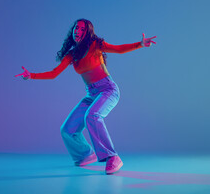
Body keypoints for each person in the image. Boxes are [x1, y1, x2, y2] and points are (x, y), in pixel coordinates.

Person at [15, 19, 156, 174]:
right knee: (67, 130)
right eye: (76, 28)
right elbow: (54, 73)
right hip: (91, 94)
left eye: (82, 29)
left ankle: (112, 157)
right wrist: (31, 76)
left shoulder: (95, 45)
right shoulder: (72, 55)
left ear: (87, 32)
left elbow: (119, 49)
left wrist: (140, 44)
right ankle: (85, 155)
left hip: (108, 90)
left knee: (93, 115)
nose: (78, 31)